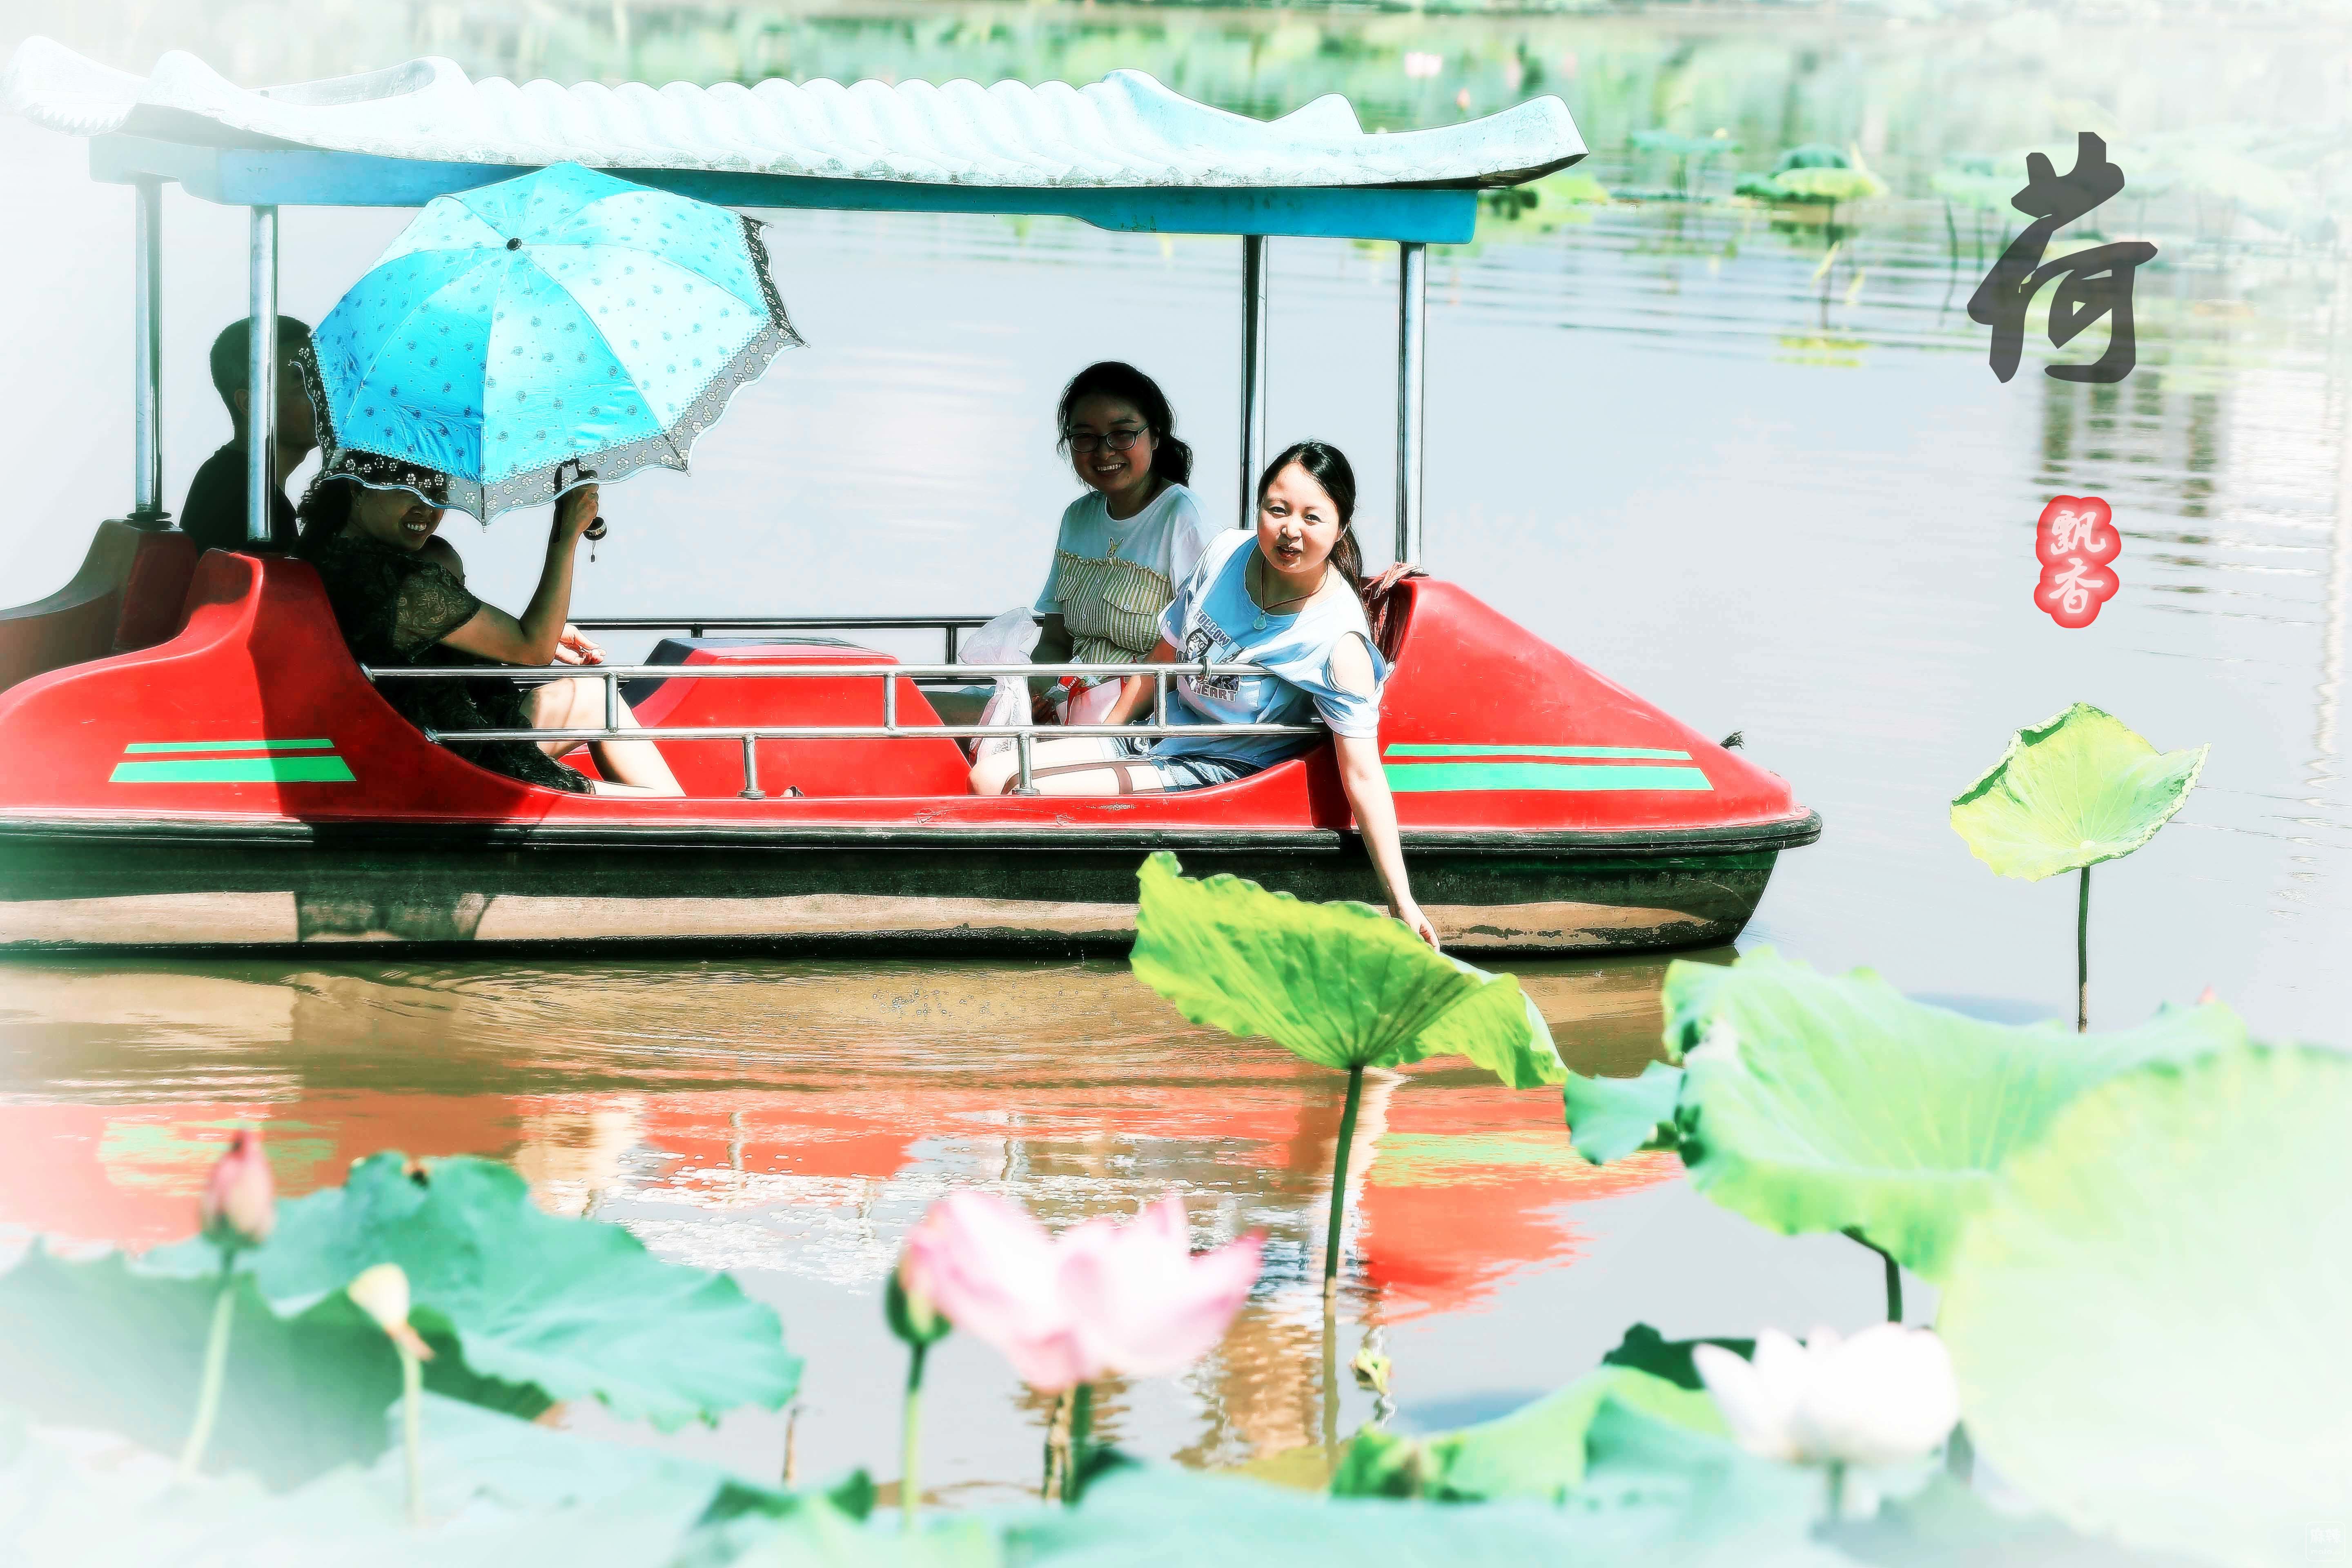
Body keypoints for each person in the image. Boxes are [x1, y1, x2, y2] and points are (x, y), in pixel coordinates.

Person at [972, 441, 1435, 948]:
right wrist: (1103, 736)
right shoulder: (1224, 554)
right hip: (1158, 732)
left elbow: (1363, 775)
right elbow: (1162, 661)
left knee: (1024, 792)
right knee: (988, 776)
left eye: (1312, 517)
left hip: (1215, 767)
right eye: (1277, 510)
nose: (1290, 530)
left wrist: (1401, 901)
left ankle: (1037, 923)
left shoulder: (1338, 642)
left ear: (1340, 527)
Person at [295, 462, 681, 797]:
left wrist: (528, 634)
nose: (426, 507)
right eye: (409, 488)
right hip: (449, 759)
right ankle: (687, 828)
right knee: (662, 802)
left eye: (437, 492)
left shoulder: (326, 553)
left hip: (419, 734)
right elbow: (533, 650)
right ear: (357, 488)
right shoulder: (390, 578)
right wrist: (566, 535)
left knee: (596, 695)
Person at [1027, 362, 1216, 740]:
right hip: (1069, 704)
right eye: (1086, 437)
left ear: (1155, 437)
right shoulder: (1077, 517)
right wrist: (1040, 693)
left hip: (1140, 722)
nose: (1104, 451)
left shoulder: (1183, 519)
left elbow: (1197, 651)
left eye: (1122, 434)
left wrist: (1108, 721)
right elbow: (1055, 641)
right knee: (937, 711)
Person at [180, 317, 318, 555]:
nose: (323, 393)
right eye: (303, 381)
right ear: (251, 404)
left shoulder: (224, 477)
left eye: (321, 377)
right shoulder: (259, 512)